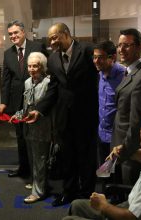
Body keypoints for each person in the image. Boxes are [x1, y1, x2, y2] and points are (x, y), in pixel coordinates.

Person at [26, 22, 99, 206]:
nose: (52, 42)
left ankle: (87, 194)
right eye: (50, 39)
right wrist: (39, 110)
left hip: (86, 115)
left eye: (54, 37)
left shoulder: (88, 50)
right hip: (64, 118)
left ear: (66, 34)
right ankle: (69, 192)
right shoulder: (52, 59)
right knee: (68, 157)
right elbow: (53, 87)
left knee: (86, 158)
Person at [62, 113, 141, 220]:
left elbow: (131, 217)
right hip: (129, 205)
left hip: (128, 214)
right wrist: (128, 152)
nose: (140, 130)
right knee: (76, 205)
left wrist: (104, 206)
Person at [0, 20, 48, 179]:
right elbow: (6, 80)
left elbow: (46, 71)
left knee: (37, 137)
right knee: (20, 137)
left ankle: (40, 172)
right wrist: (3, 101)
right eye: (10, 34)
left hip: (36, 100)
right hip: (16, 101)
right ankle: (24, 169)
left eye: (16, 33)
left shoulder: (37, 47)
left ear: (23, 32)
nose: (13, 36)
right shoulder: (8, 53)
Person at [108, 28, 141, 185]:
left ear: (140, 47)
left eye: (126, 45)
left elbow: (136, 125)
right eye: (119, 45)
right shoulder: (133, 71)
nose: (121, 49)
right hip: (123, 146)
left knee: (129, 200)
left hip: (129, 152)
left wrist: (124, 152)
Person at [10, 52, 51, 203]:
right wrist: (18, 115)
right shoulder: (27, 82)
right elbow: (26, 106)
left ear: (42, 67)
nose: (32, 69)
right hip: (28, 128)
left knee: (40, 160)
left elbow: (48, 108)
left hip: (42, 128)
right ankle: (37, 184)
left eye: (35, 66)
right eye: (29, 66)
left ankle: (38, 192)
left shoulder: (48, 83)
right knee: (33, 159)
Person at [93, 40, 124, 167]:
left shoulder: (124, 75)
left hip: (117, 138)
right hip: (101, 135)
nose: (96, 61)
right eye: (94, 57)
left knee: (118, 176)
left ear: (113, 58)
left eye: (100, 58)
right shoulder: (99, 75)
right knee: (104, 174)